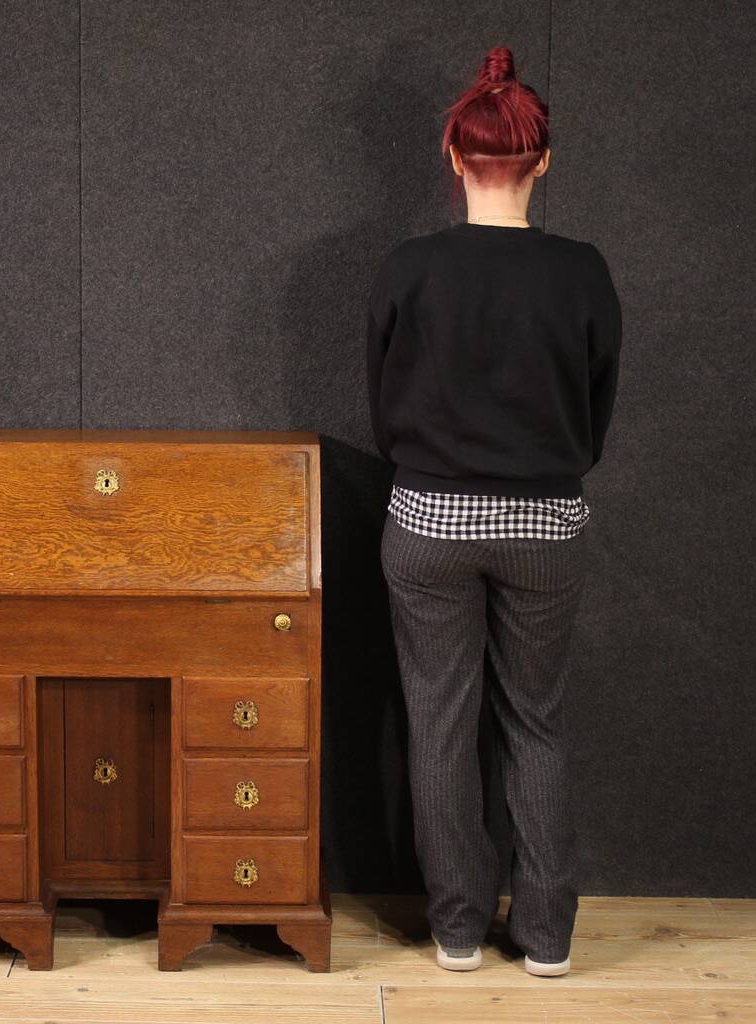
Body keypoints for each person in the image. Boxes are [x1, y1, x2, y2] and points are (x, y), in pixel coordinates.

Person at [366, 45, 622, 978]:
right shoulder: (582, 272)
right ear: (544, 161)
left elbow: (384, 408)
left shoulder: (409, 268)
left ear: (452, 152)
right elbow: (595, 414)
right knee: (537, 722)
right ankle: (548, 939)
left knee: (438, 722)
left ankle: (459, 931)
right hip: (547, 523)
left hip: (429, 520)